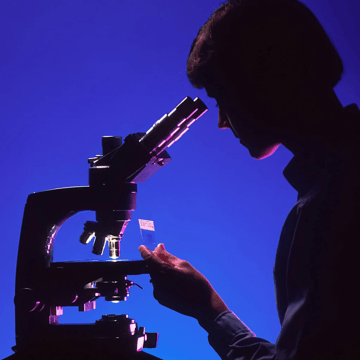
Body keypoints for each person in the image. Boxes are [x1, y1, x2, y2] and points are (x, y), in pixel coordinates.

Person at [139, 0, 360, 359]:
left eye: (222, 97)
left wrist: (209, 310)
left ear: (266, 80)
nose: (223, 121)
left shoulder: (327, 211)